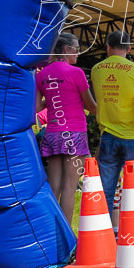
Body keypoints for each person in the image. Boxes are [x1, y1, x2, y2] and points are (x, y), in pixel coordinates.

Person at [90, 30, 134, 221]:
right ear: (129, 48)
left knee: (107, 189)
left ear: (108, 47)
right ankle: (133, 228)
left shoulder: (96, 70)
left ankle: (106, 232)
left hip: (108, 135)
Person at [35, 33, 97, 216]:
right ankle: (66, 236)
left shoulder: (42, 74)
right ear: (66, 49)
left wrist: (55, 99)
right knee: (70, 187)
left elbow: (38, 106)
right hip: (74, 134)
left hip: (53, 134)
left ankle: (51, 232)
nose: (78, 54)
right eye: (76, 50)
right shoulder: (76, 73)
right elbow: (91, 106)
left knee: (54, 186)